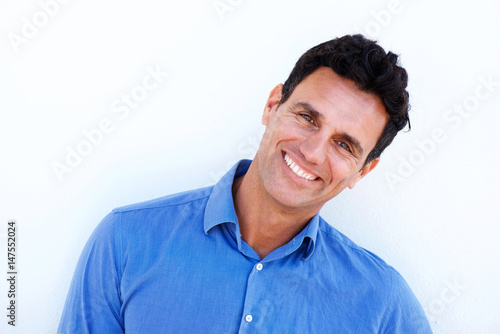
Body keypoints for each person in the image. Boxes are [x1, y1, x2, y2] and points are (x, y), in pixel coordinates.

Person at [58, 34, 433, 333]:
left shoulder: (383, 306)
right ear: (273, 105)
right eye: (307, 118)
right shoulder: (125, 241)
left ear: (362, 171)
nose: (313, 152)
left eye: (344, 144)